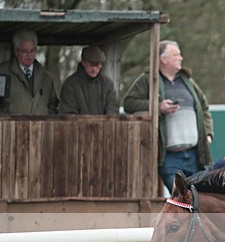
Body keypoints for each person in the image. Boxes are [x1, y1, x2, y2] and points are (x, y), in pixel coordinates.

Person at [123, 40, 213, 192]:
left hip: (194, 155)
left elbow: (204, 108)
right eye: (176, 55)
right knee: (181, 199)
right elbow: (129, 103)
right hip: (169, 157)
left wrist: (208, 134)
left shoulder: (187, 81)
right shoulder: (148, 80)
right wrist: (157, 107)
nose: (181, 58)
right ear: (164, 59)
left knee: (203, 199)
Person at [0, 30, 59, 115]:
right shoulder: (2, 73)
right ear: (16, 51)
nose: (29, 55)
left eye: (33, 50)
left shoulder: (46, 76)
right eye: (25, 51)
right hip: (10, 127)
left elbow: (53, 105)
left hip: (40, 128)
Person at [58, 45, 118, 115]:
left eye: (97, 65)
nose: (94, 69)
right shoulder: (70, 85)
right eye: (91, 65)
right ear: (83, 62)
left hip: (105, 125)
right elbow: (68, 114)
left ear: (101, 65)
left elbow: (113, 110)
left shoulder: (107, 84)